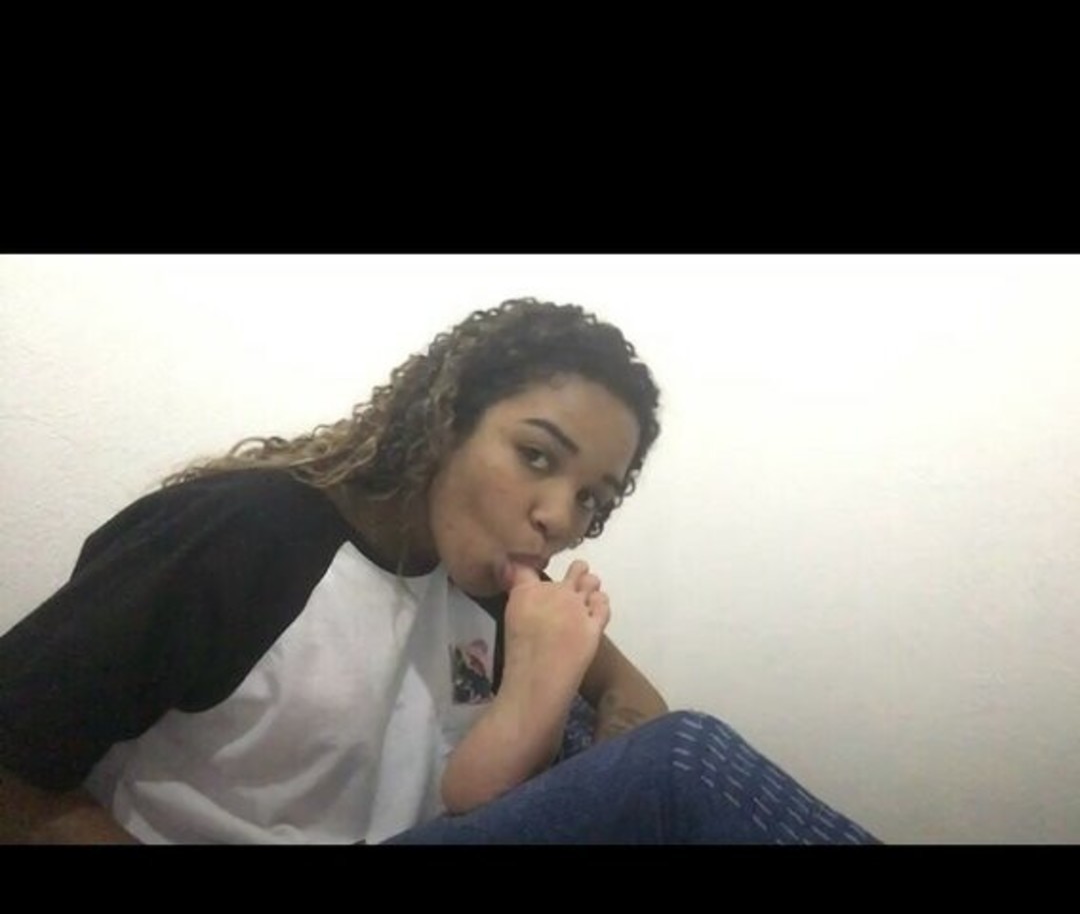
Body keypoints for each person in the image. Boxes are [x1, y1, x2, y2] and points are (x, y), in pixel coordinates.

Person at [0, 299, 881, 845]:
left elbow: (631, 696)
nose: (561, 516)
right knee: (686, 763)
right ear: (445, 418)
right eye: (537, 457)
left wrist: (571, 721)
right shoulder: (246, 535)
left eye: (593, 498)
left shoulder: (491, 589)